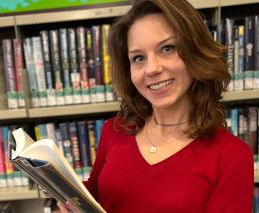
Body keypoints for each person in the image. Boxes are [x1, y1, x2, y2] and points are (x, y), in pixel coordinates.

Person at [57, 0, 254, 212]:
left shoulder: (232, 156)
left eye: (167, 48)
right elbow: (95, 196)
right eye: (138, 58)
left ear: (195, 52)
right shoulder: (114, 131)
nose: (151, 69)